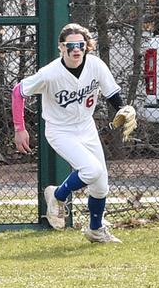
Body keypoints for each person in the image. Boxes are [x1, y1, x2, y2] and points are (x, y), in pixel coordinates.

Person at [12, 23, 133, 243]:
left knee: (101, 184)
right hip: (60, 130)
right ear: (61, 47)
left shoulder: (95, 66)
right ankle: (57, 194)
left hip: (86, 127)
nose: (76, 49)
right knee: (91, 170)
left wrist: (123, 109)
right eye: (71, 45)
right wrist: (19, 129)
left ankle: (95, 230)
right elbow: (18, 91)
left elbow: (112, 92)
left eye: (81, 45)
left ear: (87, 46)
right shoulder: (50, 73)